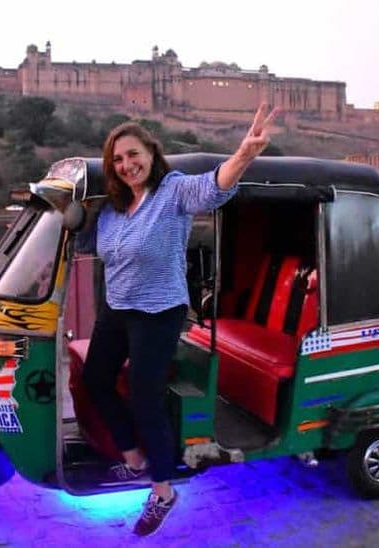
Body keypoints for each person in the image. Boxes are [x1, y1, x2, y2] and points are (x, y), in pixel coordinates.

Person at [82, 103, 279, 536]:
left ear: (151, 153)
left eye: (133, 154)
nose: (127, 164)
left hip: (159, 310)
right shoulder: (113, 210)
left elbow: (212, 188)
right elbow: (84, 240)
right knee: (96, 379)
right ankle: (134, 458)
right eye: (117, 160)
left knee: (144, 396)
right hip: (118, 307)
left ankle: (163, 489)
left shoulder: (172, 192)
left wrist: (244, 154)